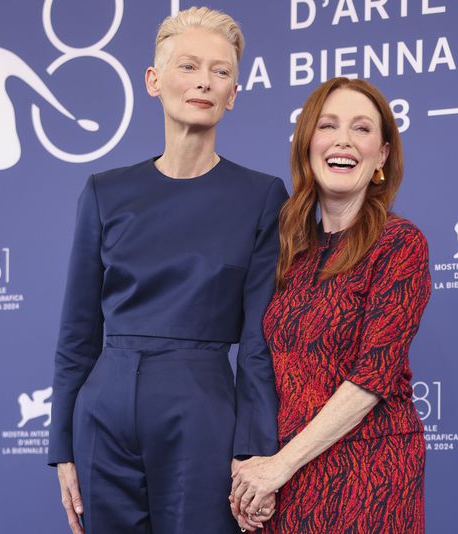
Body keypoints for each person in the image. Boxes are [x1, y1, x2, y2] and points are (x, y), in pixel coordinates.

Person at [48, 7, 286, 534]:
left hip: (202, 409)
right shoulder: (105, 192)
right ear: (154, 82)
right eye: (189, 66)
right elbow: (77, 333)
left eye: (221, 72)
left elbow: (257, 341)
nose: (204, 81)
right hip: (102, 412)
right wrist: (63, 445)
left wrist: (254, 449)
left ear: (234, 93)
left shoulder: (262, 197)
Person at [230, 77, 431, 533]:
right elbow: (258, 364)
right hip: (283, 483)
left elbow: (373, 374)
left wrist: (278, 466)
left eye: (362, 129)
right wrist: (251, 470)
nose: (343, 140)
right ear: (307, 146)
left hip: (369, 476)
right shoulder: (286, 254)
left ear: (381, 155)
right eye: (328, 125)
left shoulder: (399, 245)